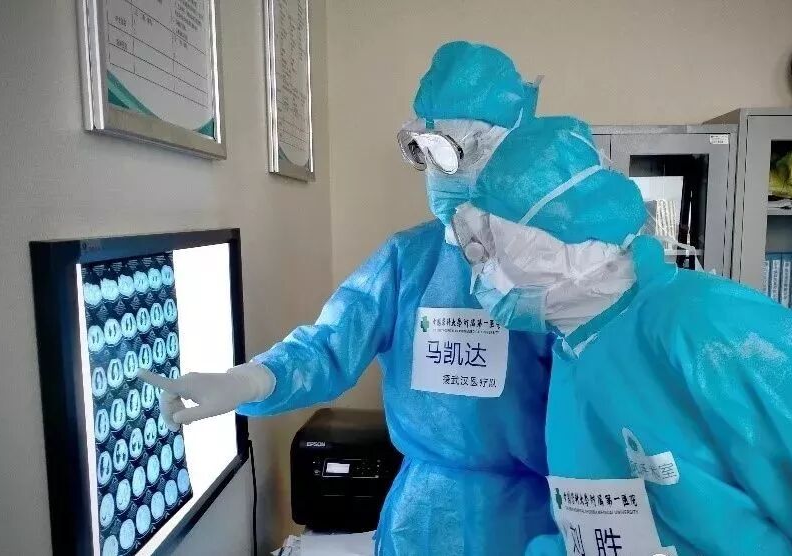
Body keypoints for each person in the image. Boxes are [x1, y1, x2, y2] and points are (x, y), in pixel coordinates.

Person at [140, 41, 558, 556]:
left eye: (454, 153)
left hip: (528, 523)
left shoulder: (555, 267)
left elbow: (592, 398)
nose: (438, 174)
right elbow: (330, 345)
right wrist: (246, 380)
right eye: (426, 153)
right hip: (421, 517)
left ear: (506, 154)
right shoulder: (409, 259)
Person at [448, 115, 792, 555]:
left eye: (489, 243)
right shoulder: (577, 348)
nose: (479, 269)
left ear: (557, 240)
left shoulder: (708, 326)